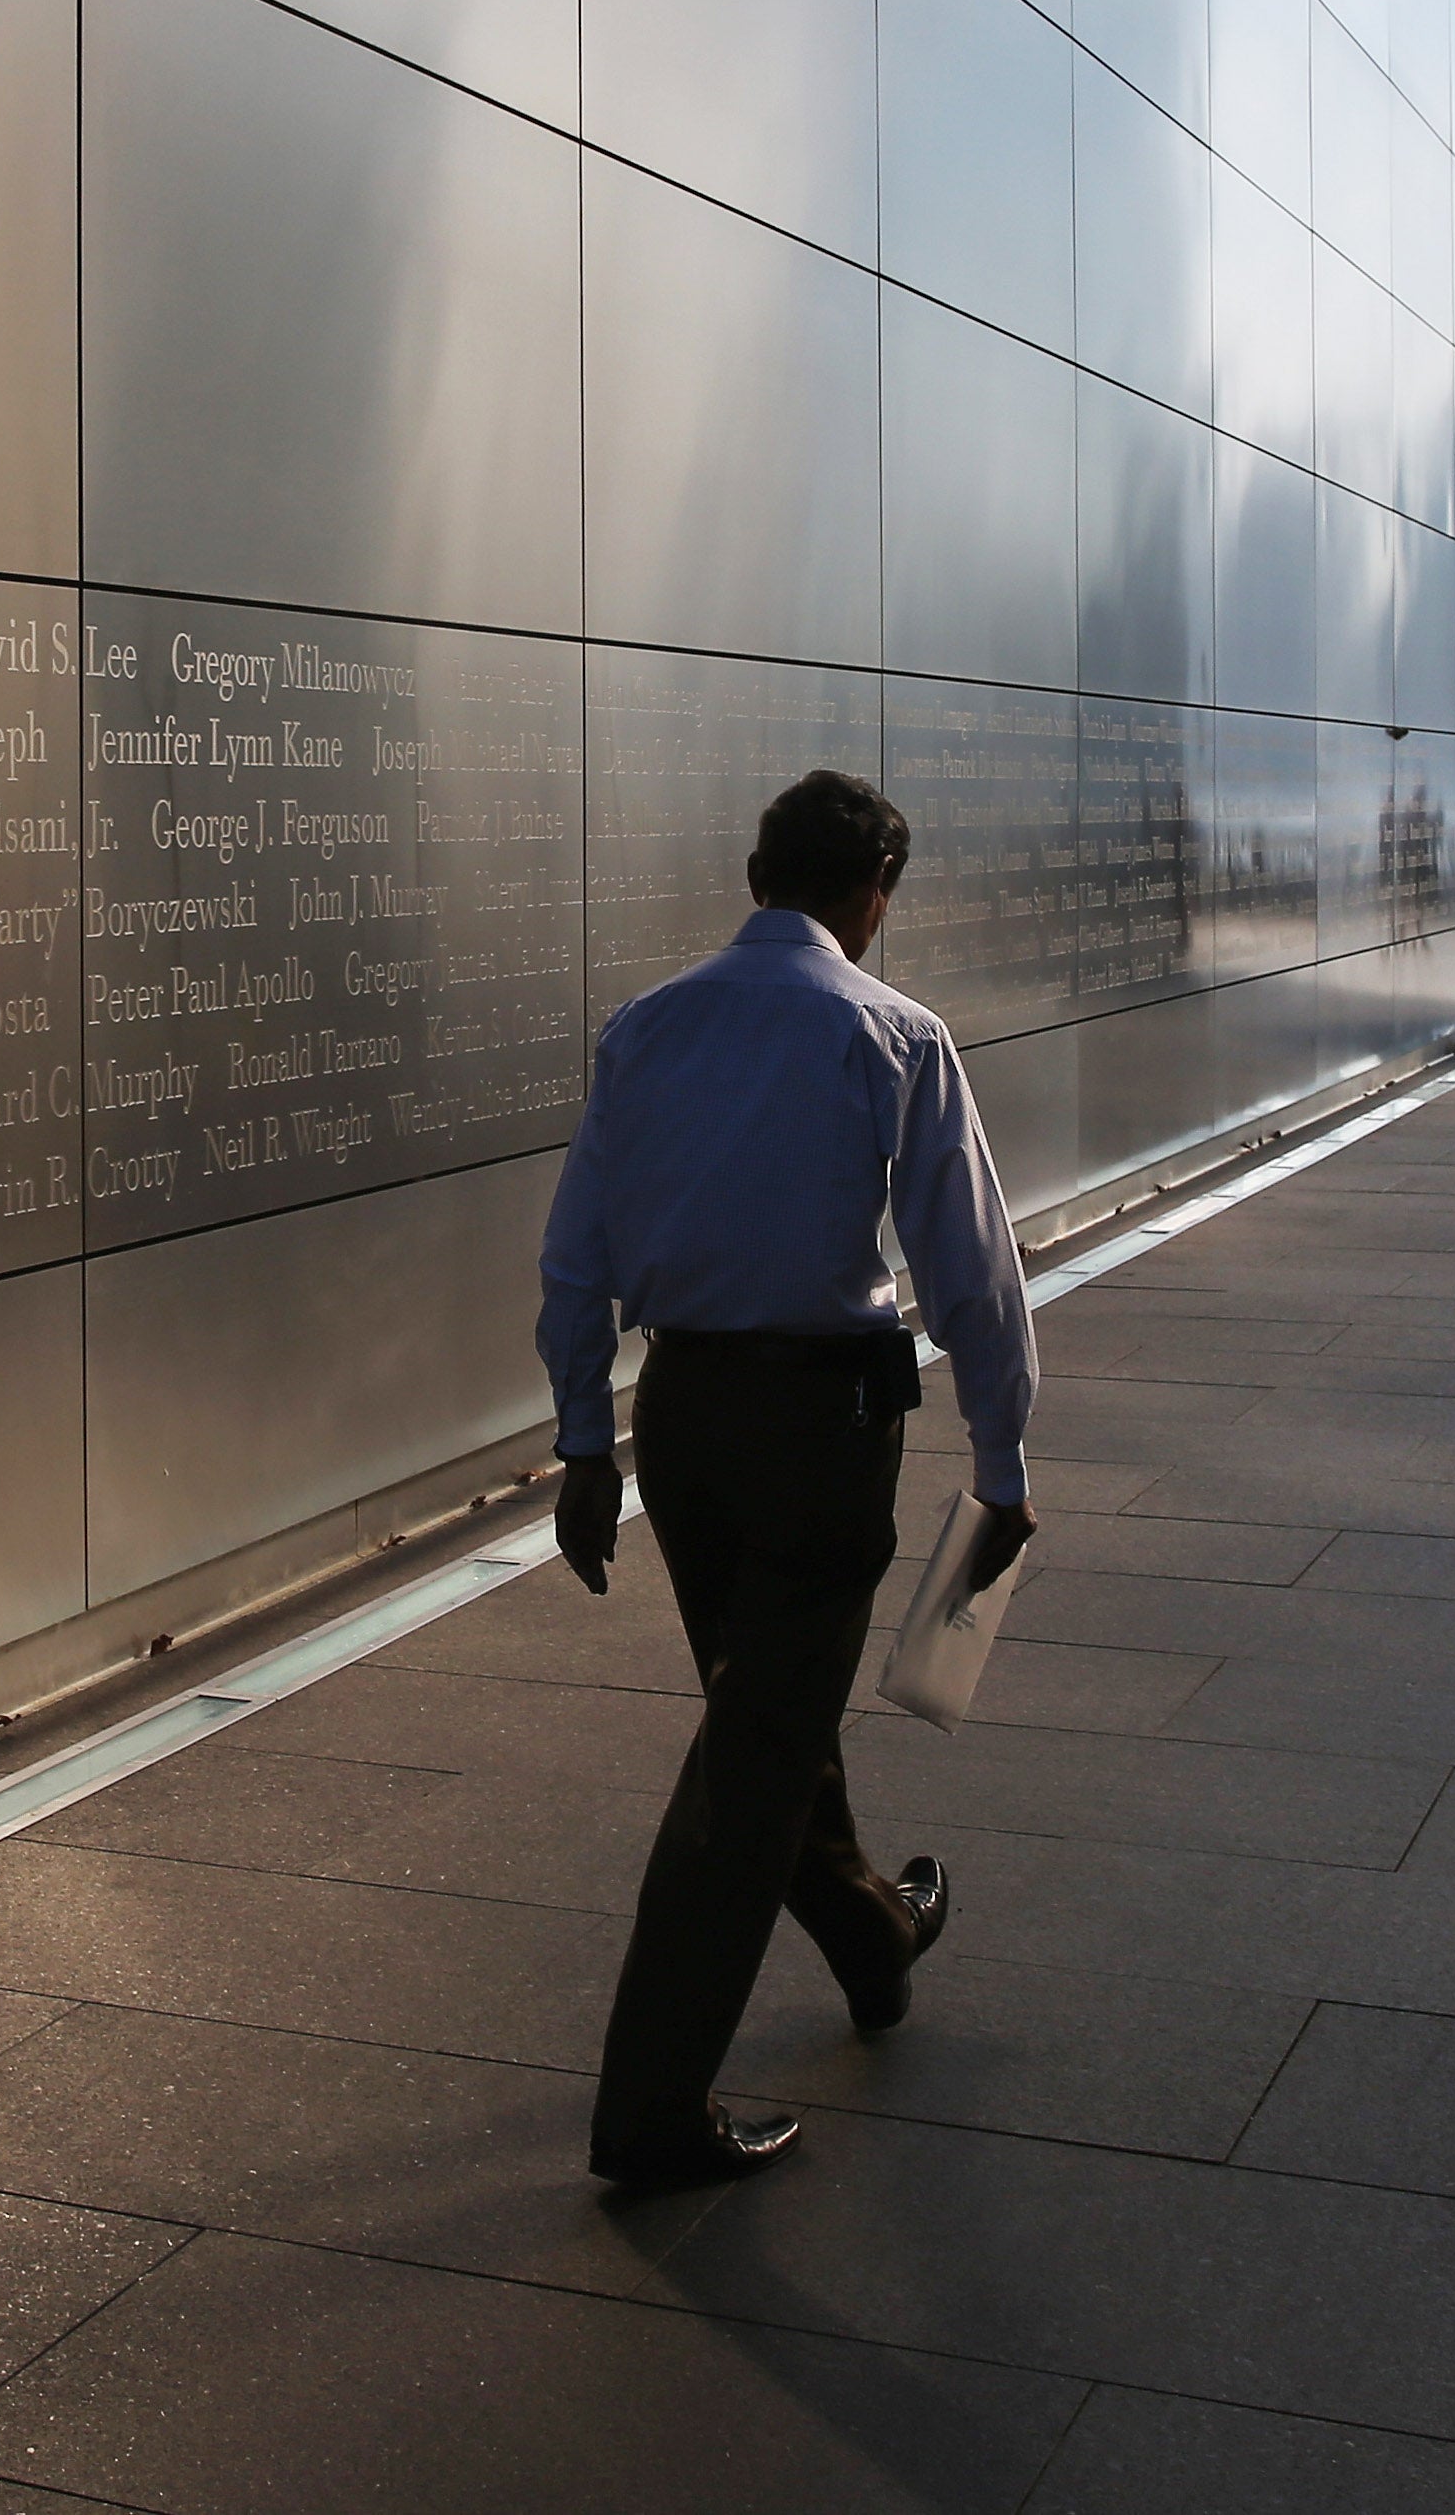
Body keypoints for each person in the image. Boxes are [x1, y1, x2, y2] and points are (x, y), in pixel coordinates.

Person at [537, 769, 1040, 2191]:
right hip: (822, 1427)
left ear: (760, 872)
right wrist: (1000, 1466)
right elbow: (973, 1274)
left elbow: (577, 1255)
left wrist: (586, 1441)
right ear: (874, 884)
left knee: (767, 1705)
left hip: (681, 1417)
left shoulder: (648, 1026)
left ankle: (875, 1932)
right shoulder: (891, 1032)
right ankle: (648, 2110)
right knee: (753, 1753)